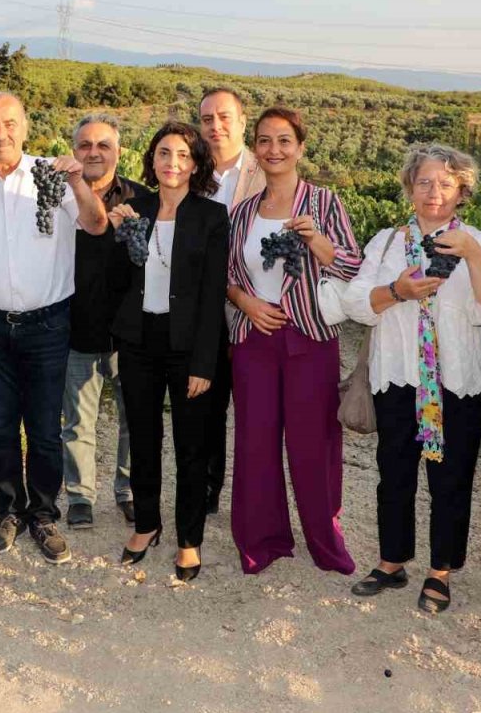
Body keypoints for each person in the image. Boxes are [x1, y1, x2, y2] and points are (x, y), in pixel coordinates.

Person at [344, 144, 481, 612]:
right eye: (424, 182)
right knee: (394, 472)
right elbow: (356, 302)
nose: (433, 192)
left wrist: (473, 258)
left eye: (445, 183)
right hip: (398, 375)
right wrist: (395, 291)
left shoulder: (476, 242)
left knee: (452, 478)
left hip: (458, 380)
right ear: (409, 186)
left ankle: (441, 571)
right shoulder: (386, 241)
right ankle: (391, 561)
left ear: (462, 190)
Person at [0, 92, 108, 565]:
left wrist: (79, 182)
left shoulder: (53, 176)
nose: (1, 134)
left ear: (25, 126)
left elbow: (96, 225)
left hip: (46, 324)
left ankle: (43, 513)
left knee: (42, 429)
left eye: (9, 123)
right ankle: (8, 510)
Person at [226, 106, 361, 575]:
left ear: (300, 147)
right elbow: (226, 276)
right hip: (253, 341)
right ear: (255, 149)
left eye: (284, 141)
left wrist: (317, 241)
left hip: (309, 339)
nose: (274, 150)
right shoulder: (242, 212)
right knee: (255, 443)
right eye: (264, 141)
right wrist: (246, 303)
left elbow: (352, 269)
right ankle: (262, 542)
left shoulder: (324, 204)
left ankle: (325, 542)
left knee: (314, 445)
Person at [106, 121, 228, 581]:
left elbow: (213, 291)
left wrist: (203, 362)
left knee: (191, 447)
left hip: (188, 347)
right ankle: (147, 524)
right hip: (139, 341)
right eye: (163, 153)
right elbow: (119, 283)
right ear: (152, 159)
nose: (171, 162)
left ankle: (189, 538)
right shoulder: (134, 208)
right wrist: (116, 236)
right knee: (142, 437)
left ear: (195, 164)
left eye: (182, 155)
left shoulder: (211, 217)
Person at [61, 113, 146, 530]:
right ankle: (80, 497)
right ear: (74, 150)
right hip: (75, 328)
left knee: (134, 418)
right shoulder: (56, 198)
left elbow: (151, 263)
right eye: (85, 145)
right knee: (78, 421)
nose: (93, 152)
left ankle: (128, 492)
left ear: (118, 150)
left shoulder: (140, 199)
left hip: (128, 333)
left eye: (103, 145)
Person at [197, 87, 266, 514]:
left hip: (250, 312)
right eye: (207, 119)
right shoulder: (189, 170)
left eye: (224, 117)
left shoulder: (266, 171)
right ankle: (207, 494)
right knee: (206, 407)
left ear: (242, 121)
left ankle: (255, 499)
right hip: (202, 312)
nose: (215, 126)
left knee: (255, 412)